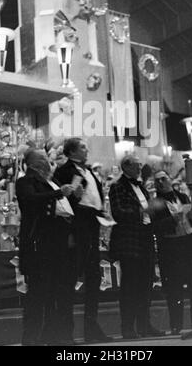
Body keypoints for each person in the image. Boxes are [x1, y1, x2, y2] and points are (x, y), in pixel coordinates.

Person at [16, 148, 76, 346]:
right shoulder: (26, 181)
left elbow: (63, 208)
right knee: (37, 294)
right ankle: (31, 338)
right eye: (42, 158)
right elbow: (31, 200)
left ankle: (51, 336)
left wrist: (70, 194)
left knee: (54, 292)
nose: (47, 160)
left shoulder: (52, 181)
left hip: (57, 244)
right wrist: (59, 193)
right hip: (39, 243)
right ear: (34, 163)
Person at [54, 137, 112, 343]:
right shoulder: (63, 171)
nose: (87, 150)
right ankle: (65, 332)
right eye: (82, 147)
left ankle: (91, 328)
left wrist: (102, 212)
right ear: (71, 152)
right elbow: (60, 199)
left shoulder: (89, 172)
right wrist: (73, 196)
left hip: (93, 223)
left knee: (94, 276)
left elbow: (95, 196)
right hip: (77, 225)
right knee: (70, 278)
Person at [109, 155, 165, 339]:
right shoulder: (118, 186)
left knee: (145, 284)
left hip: (145, 237)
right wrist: (142, 211)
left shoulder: (140, 187)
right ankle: (127, 327)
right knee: (130, 286)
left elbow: (148, 213)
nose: (140, 168)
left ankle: (144, 324)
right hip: (129, 240)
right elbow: (118, 212)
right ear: (126, 166)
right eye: (136, 165)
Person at [152, 170, 192, 335]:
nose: (161, 182)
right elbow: (155, 228)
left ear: (170, 179)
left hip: (189, 243)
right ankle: (176, 325)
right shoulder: (154, 203)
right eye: (157, 180)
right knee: (174, 288)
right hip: (171, 247)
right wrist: (173, 219)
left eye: (164, 179)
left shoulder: (183, 197)